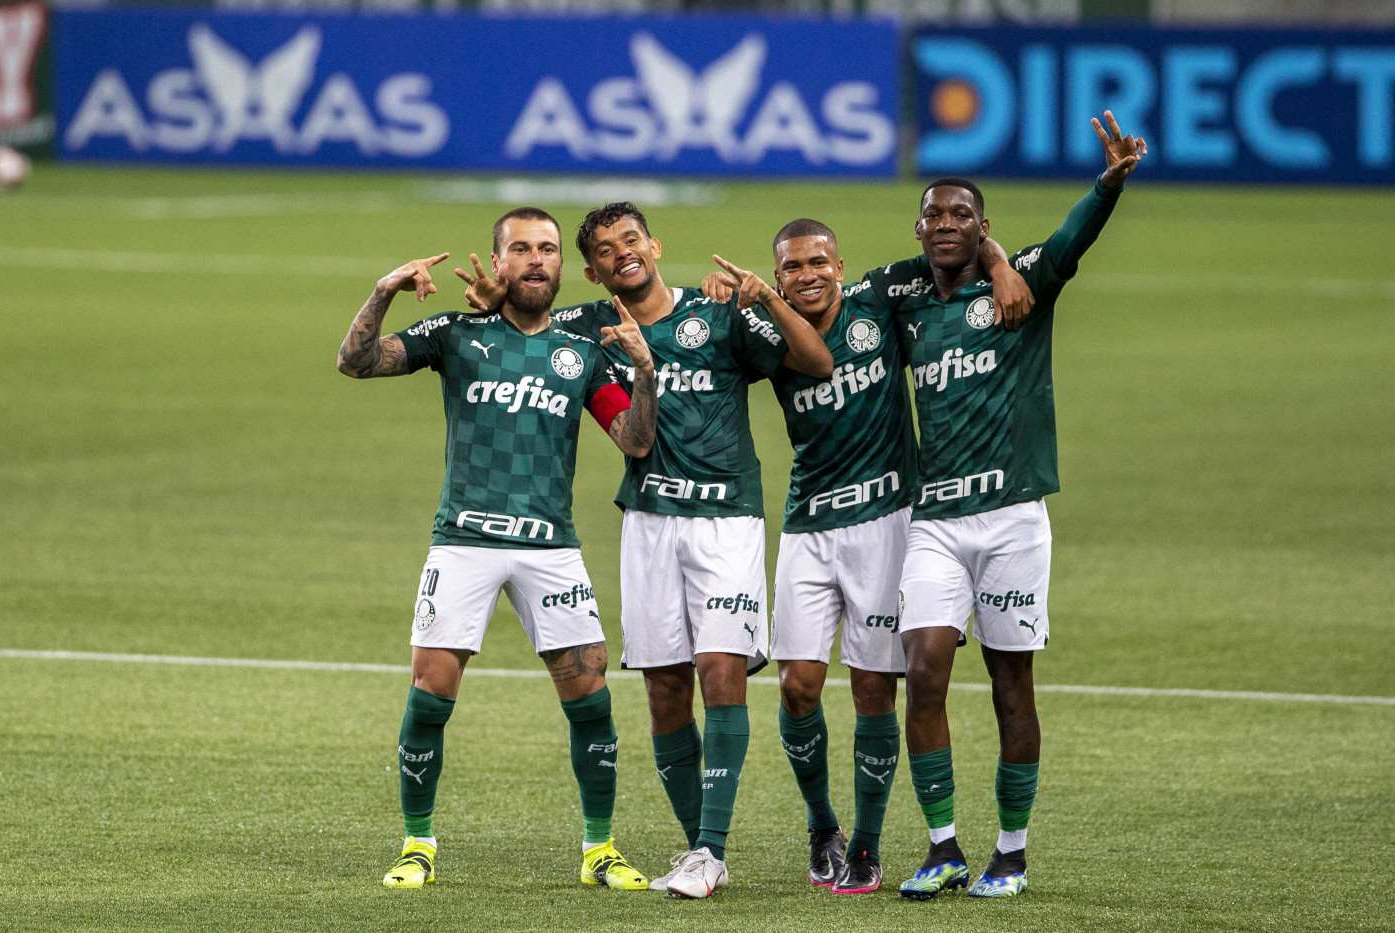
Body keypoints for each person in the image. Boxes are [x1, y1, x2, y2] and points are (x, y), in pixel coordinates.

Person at [462, 201, 834, 898]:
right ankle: (701, 851)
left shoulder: (716, 314)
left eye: (631, 239)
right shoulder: (589, 331)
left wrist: (762, 298)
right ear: (592, 269)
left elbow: (816, 362)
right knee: (665, 688)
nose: (622, 253)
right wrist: (488, 305)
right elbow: (521, 316)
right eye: (605, 249)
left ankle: (712, 850)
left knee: (720, 671)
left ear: (653, 245)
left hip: (726, 519)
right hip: (648, 522)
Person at [700, 224, 1030, 895]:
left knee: (875, 685)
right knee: (796, 685)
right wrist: (722, 297)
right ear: (779, 274)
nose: (807, 274)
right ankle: (822, 824)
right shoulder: (766, 330)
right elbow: (810, 357)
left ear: (841, 266)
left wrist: (996, 263)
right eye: (791, 267)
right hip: (808, 523)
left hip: (887, 519)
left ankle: (867, 842)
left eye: (819, 261)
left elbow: (953, 250)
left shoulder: (881, 298)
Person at [336, 207, 659, 891]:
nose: (536, 259)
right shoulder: (457, 333)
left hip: (551, 548)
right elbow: (355, 361)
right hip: (464, 542)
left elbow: (632, 439)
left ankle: (599, 848)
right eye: (520, 248)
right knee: (430, 693)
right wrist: (385, 288)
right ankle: (416, 842)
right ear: (498, 262)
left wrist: (645, 373)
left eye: (547, 248)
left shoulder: (582, 342)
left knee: (591, 699)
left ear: (561, 266)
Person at [869, 111, 1146, 900]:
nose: (946, 224)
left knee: (1009, 685)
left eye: (963, 216)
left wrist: (1107, 185)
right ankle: (944, 846)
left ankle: (1012, 853)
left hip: (1014, 518)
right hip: (936, 522)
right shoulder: (903, 299)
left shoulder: (1026, 280)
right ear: (918, 227)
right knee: (921, 671)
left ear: (982, 225)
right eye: (934, 215)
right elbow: (829, 300)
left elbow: (1069, 242)